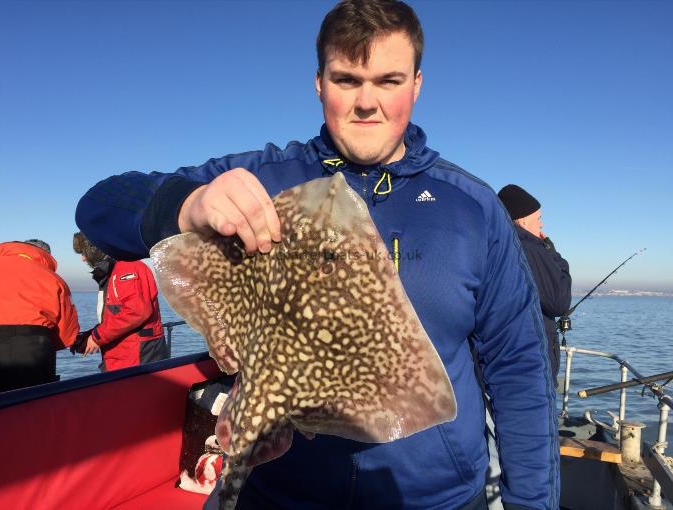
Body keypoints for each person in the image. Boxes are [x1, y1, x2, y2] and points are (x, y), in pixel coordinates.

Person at [76, 1, 559, 508]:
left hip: (434, 498)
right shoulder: (261, 179)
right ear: (319, 83)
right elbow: (98, 208)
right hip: (282, 491)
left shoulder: (472, 208)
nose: (367, 102)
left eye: (389, 81)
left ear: (417, 84)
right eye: (347, 79)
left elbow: (520, 369)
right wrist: (186, 203)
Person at [498, 184, 572, 387]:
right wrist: (554, 256)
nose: (541, 225)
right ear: (522, 219)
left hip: (503, 357)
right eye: (538, 218)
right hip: (531, 362)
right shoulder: (530, 249)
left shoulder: (497, 243)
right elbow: (558, 302)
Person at [72, 232, 168, 371]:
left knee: (133, 392)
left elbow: (136, 311)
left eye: (83, 252)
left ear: (94, 249)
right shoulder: (116, 270)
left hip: (135, 355)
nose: (82, 258)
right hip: (122, 353)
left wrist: (97, 336)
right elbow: (117, 313)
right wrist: (91, 335)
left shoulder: (126, 268)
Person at [0, 239, 79, 392]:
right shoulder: (54, 280)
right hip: (34, 352)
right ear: (45, 256)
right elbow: (67, 334)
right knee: (33, 407)